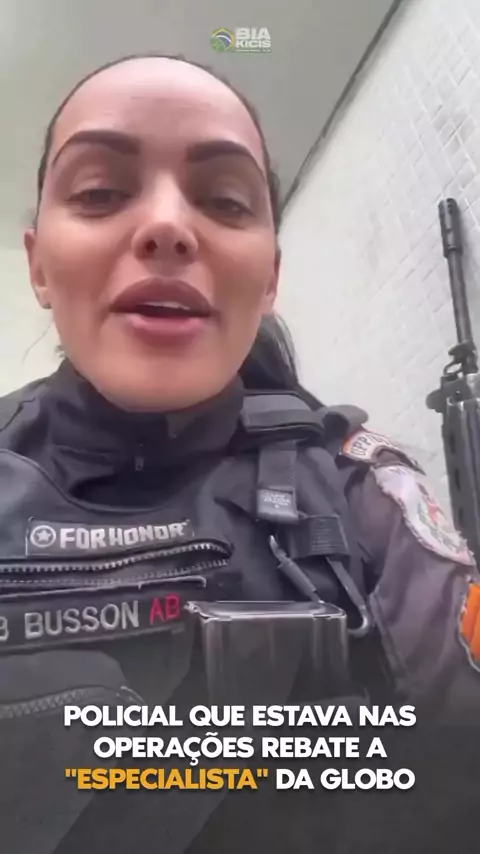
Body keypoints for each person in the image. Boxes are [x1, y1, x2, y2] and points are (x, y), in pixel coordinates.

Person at [1, 53, 479, 854]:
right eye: (100, 192)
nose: (167, 226)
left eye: (224, 201)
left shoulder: (361, 492)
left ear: (269, 280)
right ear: (38, 263)